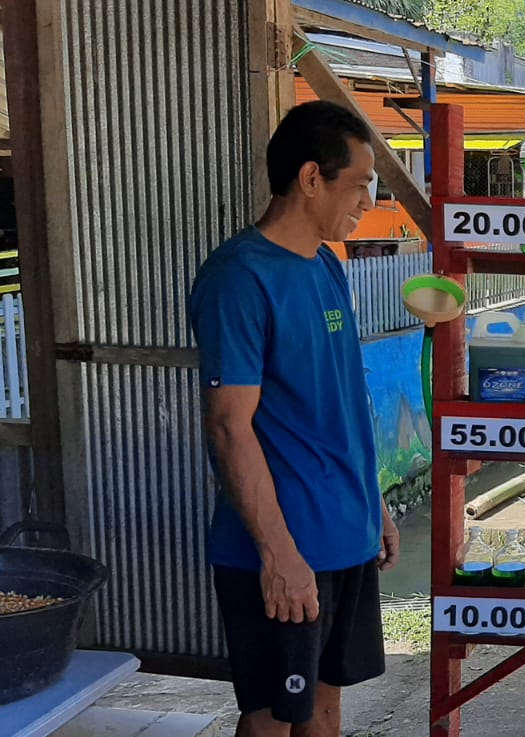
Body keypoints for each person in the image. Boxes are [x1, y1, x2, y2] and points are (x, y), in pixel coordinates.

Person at [188, 100, 399, 737]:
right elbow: (228, 427)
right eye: (359, 183)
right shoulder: (239, 277)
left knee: (325, 708)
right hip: (285, 547)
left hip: (345, 533)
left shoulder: (327, 265)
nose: (367, 201)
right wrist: (278, 554)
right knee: (272, 719)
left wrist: (373, 504)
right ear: (311, 178)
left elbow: (335, 399)